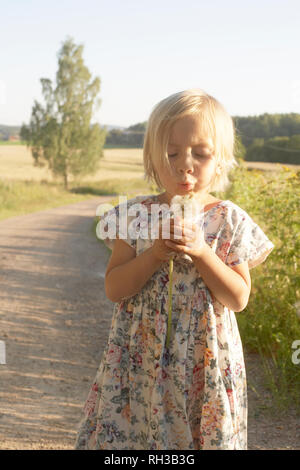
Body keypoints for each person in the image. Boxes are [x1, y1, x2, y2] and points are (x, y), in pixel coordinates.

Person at [74, 89, 274, 450]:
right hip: (139, 358)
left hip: (205, 361)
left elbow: (239, 297)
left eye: (201, 153)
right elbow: (114, 289)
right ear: (152, 159)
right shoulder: (135, 216)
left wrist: (201, 251)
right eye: (171, 152)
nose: (185, 164)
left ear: (221, 160)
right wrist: (152, 255)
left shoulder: (228, 221)